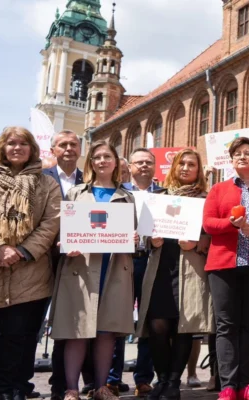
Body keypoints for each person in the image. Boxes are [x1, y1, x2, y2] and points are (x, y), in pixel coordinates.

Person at [0, 127, 61, 400]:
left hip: (30, 274)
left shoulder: (47, 184)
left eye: (23, 144)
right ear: (2, 148)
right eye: (11, 143)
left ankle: (7, 389)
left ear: (31, 149)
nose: (17, 148)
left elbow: (51, 223)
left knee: (16, 337)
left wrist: (23, 251)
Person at [49, 140, 137, 400]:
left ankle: (100, 387)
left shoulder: (127, 196)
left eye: (107, 156)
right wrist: (66, 245)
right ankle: (72, 389)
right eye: (97, 157)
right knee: (76, 329)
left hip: (114, 270)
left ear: (115, 162)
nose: (102, 161)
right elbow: (64, 232)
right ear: (91, 163)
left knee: (106, 331)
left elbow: (134, 235)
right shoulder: (76, 193)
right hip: (81, 268)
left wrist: (133, 239)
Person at [136, 149, 213, 400]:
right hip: (161, 267)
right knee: (158, 326)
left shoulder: (206, 198)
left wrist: (199, 243)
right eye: (182, 164)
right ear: (174, 168)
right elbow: (145, 233)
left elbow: (213, 234)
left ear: (198, 170)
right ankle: (162, 378)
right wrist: (152, 240)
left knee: (183, 327)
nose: (186, 168)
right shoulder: (160, 196)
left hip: (190, 269)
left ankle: (173, 383)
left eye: (192, 164)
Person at [203, 137, 249, 400]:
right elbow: (208, 224)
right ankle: (229, 385)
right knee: (226, 326)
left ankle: (248, 384)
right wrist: (231, 225)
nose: (242, 157)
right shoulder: (218, 189)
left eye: (247, 153)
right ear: (231, 161)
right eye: (237, 154)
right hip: (223, 265)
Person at [42, 130, 89, 400]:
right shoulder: (41, 178)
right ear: (53, 149)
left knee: (71, 324)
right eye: (63, 144)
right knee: (36, 322)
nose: (69, 149)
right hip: (44, 258)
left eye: (73, 144)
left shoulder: (88, 180)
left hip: (77, 260)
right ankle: (21, 384)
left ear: (80, 149)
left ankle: (63, 384)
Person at [115, 149, 160, 397]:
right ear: (129, 166)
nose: (144, 166)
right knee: (116, 318)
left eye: (148, 162)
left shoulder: (163, 194)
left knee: (148, 322)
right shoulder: (119, 193)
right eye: (139, 162)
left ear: (154, 166)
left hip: (150, 261)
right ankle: (112, 376)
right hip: (122, 260)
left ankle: (143, 377)